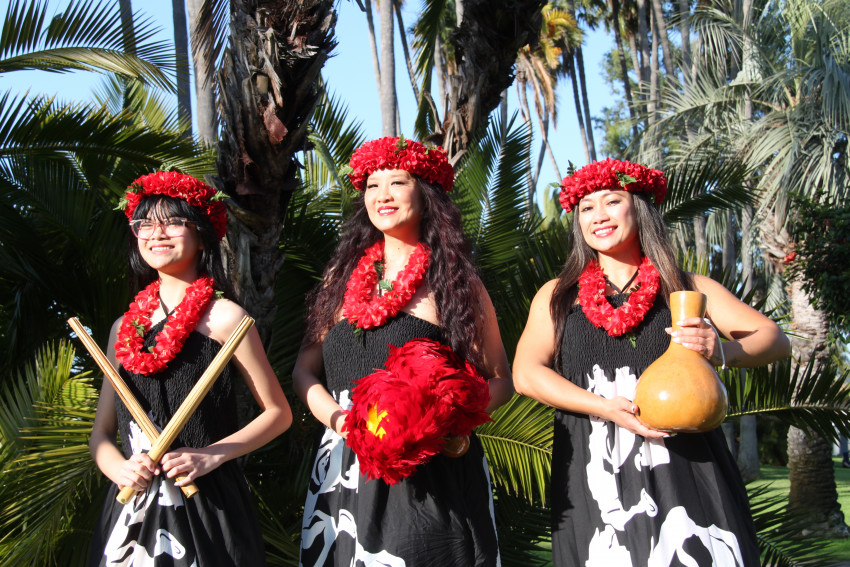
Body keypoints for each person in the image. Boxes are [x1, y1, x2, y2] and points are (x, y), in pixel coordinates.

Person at [512, 159, 791, 566]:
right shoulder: (558, 297)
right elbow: (526, 374)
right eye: (587, 208)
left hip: (686, 466)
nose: (599, 216)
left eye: (612, 201)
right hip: (598, 472)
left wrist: (720, 352)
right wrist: (605, 408)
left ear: (639, 208)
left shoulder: (686, 288)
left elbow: (774, 339)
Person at [293, 136, 513, 566]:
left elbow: (500, 378)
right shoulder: (341, 277)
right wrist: (340, 421)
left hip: (427, 463)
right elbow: (304, 370)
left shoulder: (454, 281)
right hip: (344, 462)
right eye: (372, 186)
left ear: (426, 193)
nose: (383, 196)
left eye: (398, 182)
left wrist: (445, 420)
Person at [88, 171, 293, 566]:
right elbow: (102, 432)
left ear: (201, 235)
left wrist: (211, 455)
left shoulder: (227, 318)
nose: (156, 233)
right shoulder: (123, 328)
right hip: (132, 506)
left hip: (206, 501)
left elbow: (278, 413)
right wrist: (119, 469)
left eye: (173, 222)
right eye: (144, 224)